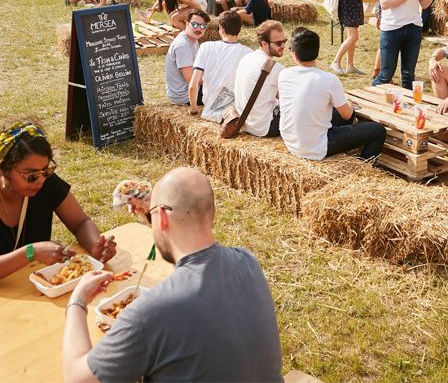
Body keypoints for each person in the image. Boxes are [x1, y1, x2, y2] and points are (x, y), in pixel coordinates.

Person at [62, 167, 282, 382]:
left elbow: (77, 378)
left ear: (164, 219)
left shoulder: (149, 312)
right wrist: (157, 215)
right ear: (211, 213)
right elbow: (195, 267)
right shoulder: (247, 261)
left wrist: (77, 301)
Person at [0, 121, 116, 279]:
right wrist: (31, 252)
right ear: (4, 169)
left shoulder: (45, 182)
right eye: (31, 175)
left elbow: (80, 221)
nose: (40, 180)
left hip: (32, 285)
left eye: (46, 171)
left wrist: (95, 245)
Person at [278, 27, 386, 161]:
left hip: (290, 140)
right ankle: (362, 167)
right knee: (378, 130)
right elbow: (347, 115)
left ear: (293, 53)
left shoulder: (283, 74)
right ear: (317, 51)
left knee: (335, 113)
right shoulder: (328, 79)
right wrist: (350, 104)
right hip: (314, 147)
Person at [372, 0, 439, 89]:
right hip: (392, 28)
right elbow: (384, 3)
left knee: (409, 76)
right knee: (386, 75)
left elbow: (423, 5)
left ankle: (406, 106)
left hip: (414, 27)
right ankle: (367, 102)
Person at [188, 10, 251, 118]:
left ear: (221, 28)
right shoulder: (249, 53)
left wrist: (193, 109)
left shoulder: (205, 47)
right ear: (239, 29)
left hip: (209, 108)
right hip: (236, 109)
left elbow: (193, 86)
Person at [234, 21, 285, 137]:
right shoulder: (275, 68)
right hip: (264, 127)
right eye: (278, 43)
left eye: (284, 41)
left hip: (244, 123)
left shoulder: (246, 58)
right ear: (264, 44)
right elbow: (287, 101)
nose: (283, 46)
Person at [166, 9, 210, 106]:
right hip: (186, 96)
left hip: (192, 89)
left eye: (202, 26)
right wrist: (215, 77)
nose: (198, 29)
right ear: (186, 23)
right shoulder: (183, 45)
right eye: (194, 25)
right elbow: (191, 79)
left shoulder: (193, 39)